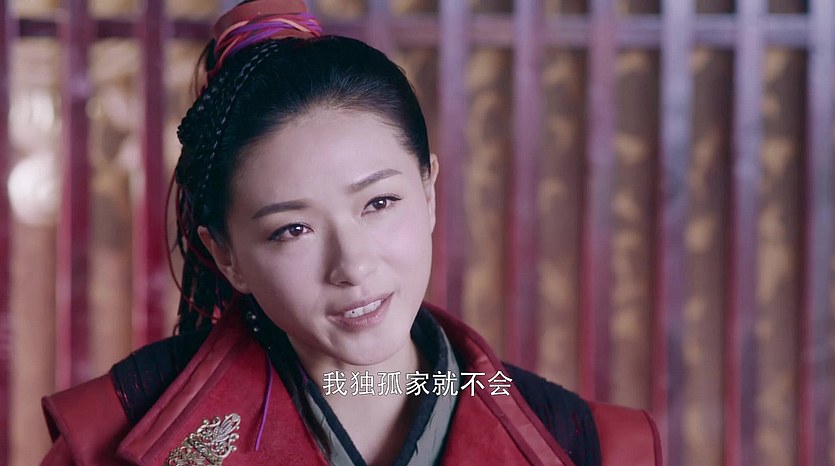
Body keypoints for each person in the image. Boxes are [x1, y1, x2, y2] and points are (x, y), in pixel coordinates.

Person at [40, 1, 661, 465]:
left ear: (429, 192)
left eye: (379, 202)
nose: (353, 265)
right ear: (225, 256)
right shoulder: (107, 436)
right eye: (293, 229)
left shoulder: (593, 446)